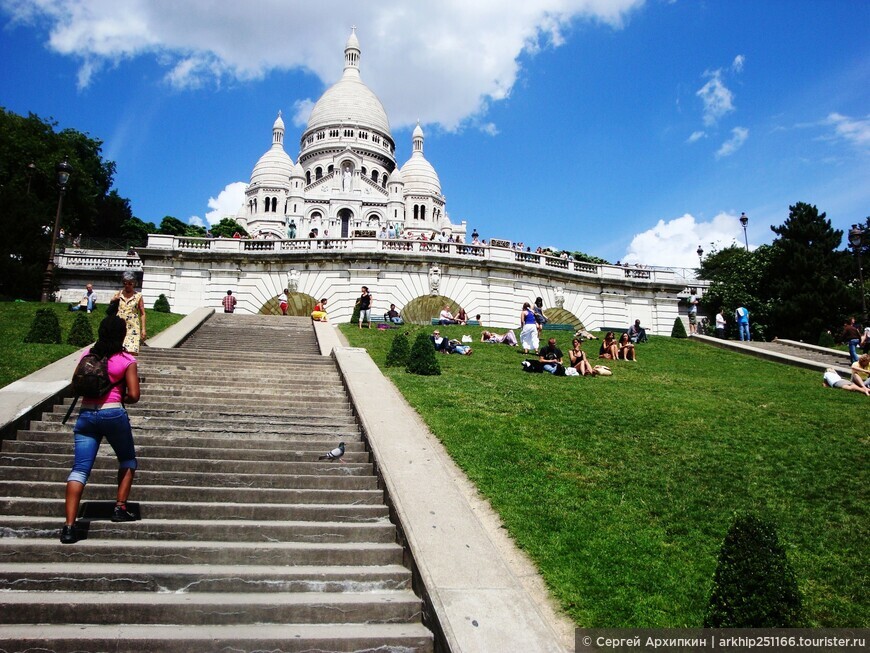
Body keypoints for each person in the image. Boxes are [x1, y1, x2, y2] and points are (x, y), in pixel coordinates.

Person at [61, 304, 141, 544]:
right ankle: (119, 508)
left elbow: (75, 383)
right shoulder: (125, 360)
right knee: (127, 459)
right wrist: (119, 396)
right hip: (113, 414)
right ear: (122, 335)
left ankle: (68, 527)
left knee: (79, 470)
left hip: (86, 415)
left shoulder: (87, 356)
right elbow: (135, 395)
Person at [113, 271, 146, 354]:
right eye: (125, 283)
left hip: (133, 327)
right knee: (117, 350)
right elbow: (111, 309)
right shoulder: (118, 294)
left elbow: (142, 313)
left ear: (134, 283)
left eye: (130, 283)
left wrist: (143, 329)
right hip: (118, 326)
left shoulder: (138, 296)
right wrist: (113, 300)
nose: (127, 285)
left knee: (130, 351)